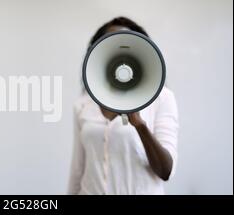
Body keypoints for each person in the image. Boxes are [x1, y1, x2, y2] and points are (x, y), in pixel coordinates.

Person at [68, 17, 179, 195]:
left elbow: (165, 171)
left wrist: (140, 125)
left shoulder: (162, 98)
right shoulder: (83, 103)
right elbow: (78, 169)